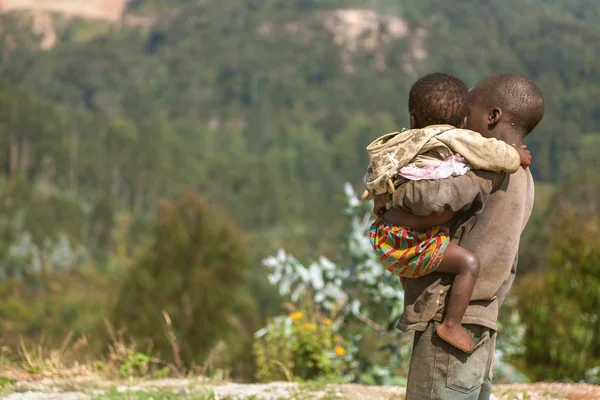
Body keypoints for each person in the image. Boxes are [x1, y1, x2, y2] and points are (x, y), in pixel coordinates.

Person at [385, 73, 545, 400]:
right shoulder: (524, 177)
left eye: (465, 112)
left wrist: (390, 198)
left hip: (448, 317)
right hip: (483, 319)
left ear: (492, 116)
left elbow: (431, 199)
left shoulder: (482, 172)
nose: (456, 124)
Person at [362, 73, 531, 353]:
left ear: (413, 119)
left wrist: (380, 199)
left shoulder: (400, 143)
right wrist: (517, 156)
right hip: (418, 244)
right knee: (469, 264)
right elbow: (493, 154)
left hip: (386, 237)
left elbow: (376, 175)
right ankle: (451, 325)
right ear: (463, 121)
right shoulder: (457, 138)